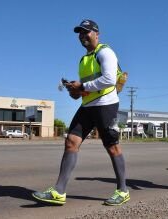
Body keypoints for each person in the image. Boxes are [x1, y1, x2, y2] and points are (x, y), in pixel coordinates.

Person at [32, 19, 130, 206]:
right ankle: (59, 191)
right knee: (71, 141)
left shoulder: (105, 52)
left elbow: (109, 79)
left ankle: (123, 190)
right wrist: (76, 92)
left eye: (86, 32)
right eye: (80, 33)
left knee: (112, 147)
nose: (82, 36)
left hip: (106, 105)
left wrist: (83, 86)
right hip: (88, 106)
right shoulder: (84, 59)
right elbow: (88, 88)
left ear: (96, 33)